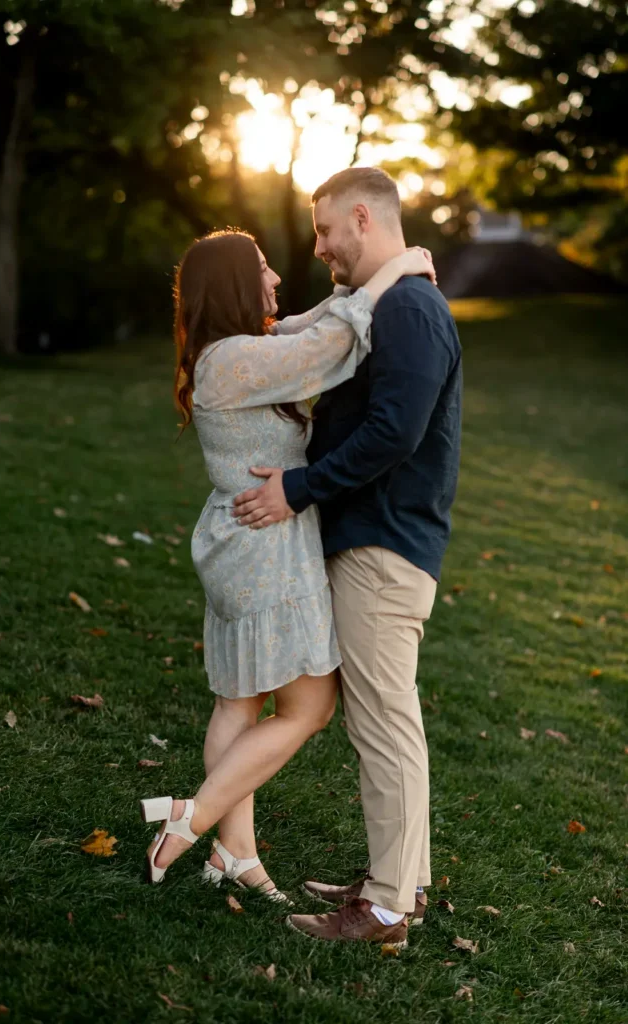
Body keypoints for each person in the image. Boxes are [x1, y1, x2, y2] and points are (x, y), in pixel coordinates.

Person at [139, 227, 435, 917]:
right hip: (262, 546)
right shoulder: (234, 361)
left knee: (238, 703)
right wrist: (391, 274)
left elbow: (305, 325)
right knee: (307, 707)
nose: (276, 280)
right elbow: (330, 346)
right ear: (237, 285)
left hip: (247, 539)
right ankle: (194, 815)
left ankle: (234, 852)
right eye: (264, 270)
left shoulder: (233, 352)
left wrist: (373, 279)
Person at [232, 167, 463, 947]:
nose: (320, 245)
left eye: (326, 230)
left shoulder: (409, 309)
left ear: (361, 219)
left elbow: (394, 433)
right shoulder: (388, 303)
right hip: (375, 538)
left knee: (384, 726)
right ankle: (400, 884)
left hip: (383, 544)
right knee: (384, 722)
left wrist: (299, 487)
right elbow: (321, 330)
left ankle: (388, 911)